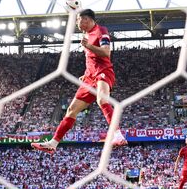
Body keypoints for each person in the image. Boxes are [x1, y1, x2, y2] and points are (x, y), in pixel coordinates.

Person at [31, 9, 127, 154]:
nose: (77, 22)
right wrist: (85, 74)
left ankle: (118, 135)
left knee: (102, 100)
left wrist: (88, 45)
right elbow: (91, 59)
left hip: (103, 72)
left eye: (79, 19)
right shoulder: (86, 35)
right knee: (71, 110)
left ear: (86, 20)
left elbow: (106, 52)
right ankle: (53, 143)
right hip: (89, 77)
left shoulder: (101, 31)